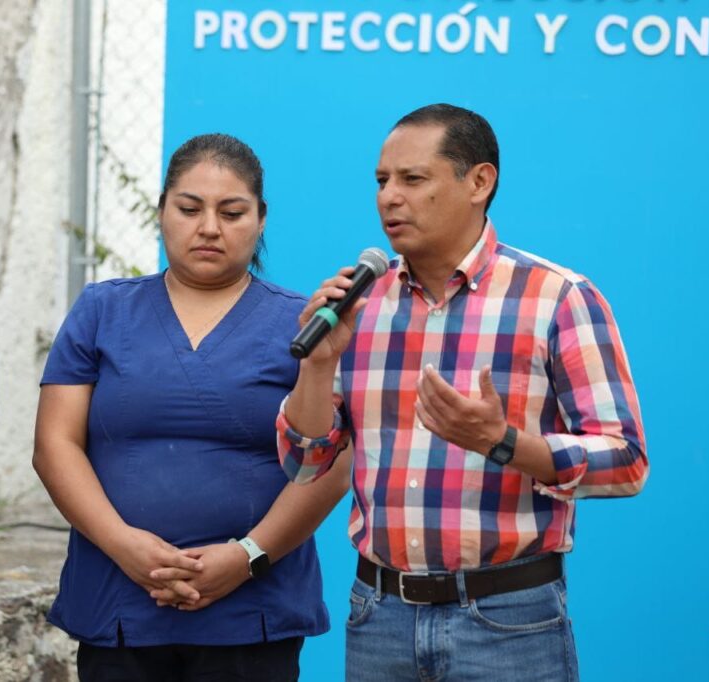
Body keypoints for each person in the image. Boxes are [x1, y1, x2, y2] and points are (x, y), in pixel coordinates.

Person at [278, 104, 648, 681]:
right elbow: (303, 463)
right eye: (382, 181)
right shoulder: (357, 305)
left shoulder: (556, 297)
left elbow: (625, 461)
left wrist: (503, 442)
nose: (388, 198)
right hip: (379, 618)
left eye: (412, 179)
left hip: (509, 620)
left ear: (479, 182)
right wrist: (318, 367)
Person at [33, 133, 350, 681]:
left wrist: (248, 555)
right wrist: (124, 545)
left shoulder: (308, 327)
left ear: (261, 219)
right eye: (189, 208)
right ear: (161, 212)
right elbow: (54, 444)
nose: (209, 227)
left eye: (232, 212)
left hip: (253, 613)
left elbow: (332, 463)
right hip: (120, 603)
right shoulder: (102, 311)